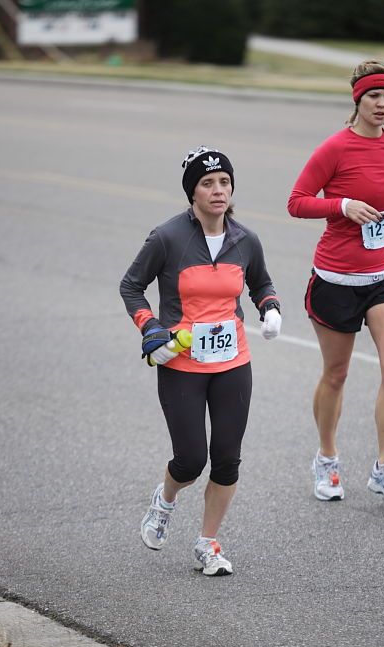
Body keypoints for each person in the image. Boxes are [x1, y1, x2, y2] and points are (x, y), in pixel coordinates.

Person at [120, 146, 281, 575]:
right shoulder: (167, 237)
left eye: (224, 182)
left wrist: (270, 308)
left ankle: (208, 544)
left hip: (233, 363)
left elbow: (260, 281)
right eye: (207, 183)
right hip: (181, 364)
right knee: (191, 459)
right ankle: (165, 499)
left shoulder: (245, 239)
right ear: (192, 192)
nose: (218, 190)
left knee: (227, 458)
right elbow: (131, 286)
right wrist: (152, 331)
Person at [287, 60, 384, 505]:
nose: (383, 104)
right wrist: (341, 206)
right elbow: (297, 202)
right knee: (337, 372)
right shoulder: (335, 148)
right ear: (357, 100)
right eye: (374, 97)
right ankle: (327, 458)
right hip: (336, 277)